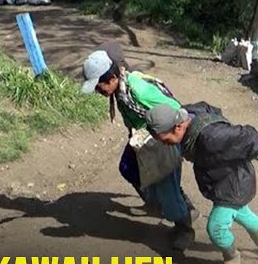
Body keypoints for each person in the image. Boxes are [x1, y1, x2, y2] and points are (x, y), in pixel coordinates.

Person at [81, 50, 198, 251]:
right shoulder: (121, 89)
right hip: (142, 137)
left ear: (112, 78)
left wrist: (168, 138)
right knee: (128, 167)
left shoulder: (139, 90)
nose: (97, 90)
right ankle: (158, 203)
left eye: (98, 85)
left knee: (167, 188)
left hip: (162, 139)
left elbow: (176, 109)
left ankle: (184, 226)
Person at [145, 103, 258, 264]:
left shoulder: (211, 138)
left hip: (232, 185)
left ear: (177, 127)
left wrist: (242, 152)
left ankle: (232, 257)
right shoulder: (190, 114)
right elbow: (212, 109)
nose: (165, 143)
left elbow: (254, 139)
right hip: (225, 180)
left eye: (165, 139)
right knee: (242, 213)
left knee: (215, 228)